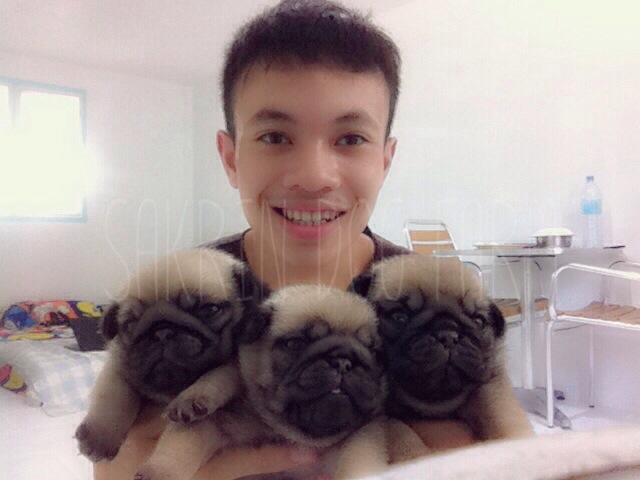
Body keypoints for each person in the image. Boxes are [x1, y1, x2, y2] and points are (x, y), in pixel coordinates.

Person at [93, 1, 475, 478]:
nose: (314, 177)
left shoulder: (437, 300)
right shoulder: (181, 292)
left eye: (350, 139)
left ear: (384, 159)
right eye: (275, 137)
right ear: (230, 158)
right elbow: (116, 456)